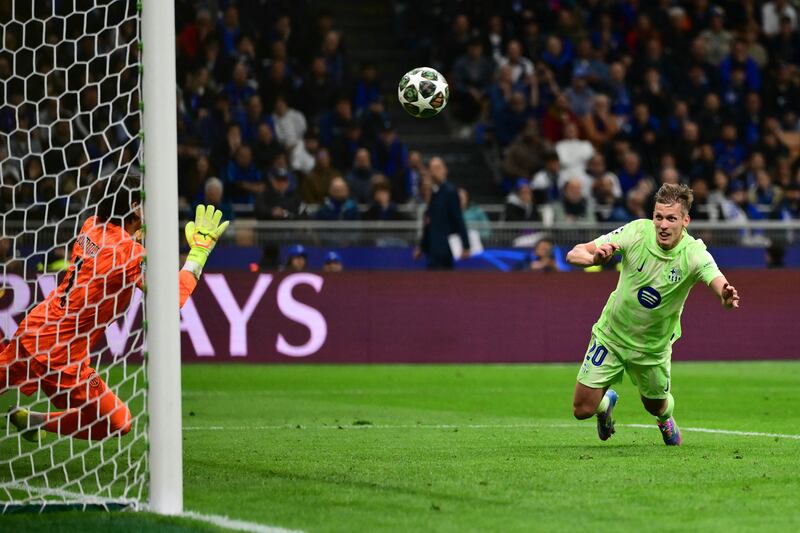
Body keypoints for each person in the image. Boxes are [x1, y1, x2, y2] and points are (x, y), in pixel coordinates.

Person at [2, 175, 229, 441]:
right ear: (134, 207)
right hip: (61, 354)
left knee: (117, 421)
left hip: (38, 332)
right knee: (118, 423)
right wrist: (197, 256)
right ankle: (38, 422)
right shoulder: (129, 254)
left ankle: (34, 421)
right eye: (145, 201)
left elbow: (117, 250)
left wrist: (138, 236)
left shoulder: (91, 226)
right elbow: (169, 301)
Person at [566, 183, 740, 446]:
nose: (663, 225)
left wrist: (725, 296)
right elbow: (575, 253)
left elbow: (717, 281)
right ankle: (605, 406)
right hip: (611, 335)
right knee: (582, 410)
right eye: (658, 217)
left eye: (671, 218)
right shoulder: (636, 231)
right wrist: (594, 259)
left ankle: (665, 420)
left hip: (652, 348)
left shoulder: (694, 253)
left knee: (655, 406)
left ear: (685, 221)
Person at [414, 157, 469, 270]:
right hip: (432, 249)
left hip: (445, 249)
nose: (435, 171)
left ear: (445, 170)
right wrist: (422, 247)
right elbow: (428, 223)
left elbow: (458, 218)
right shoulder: (432, 193)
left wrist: (466, 245)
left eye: (438, 168)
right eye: (432, 169)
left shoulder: (450, 192)